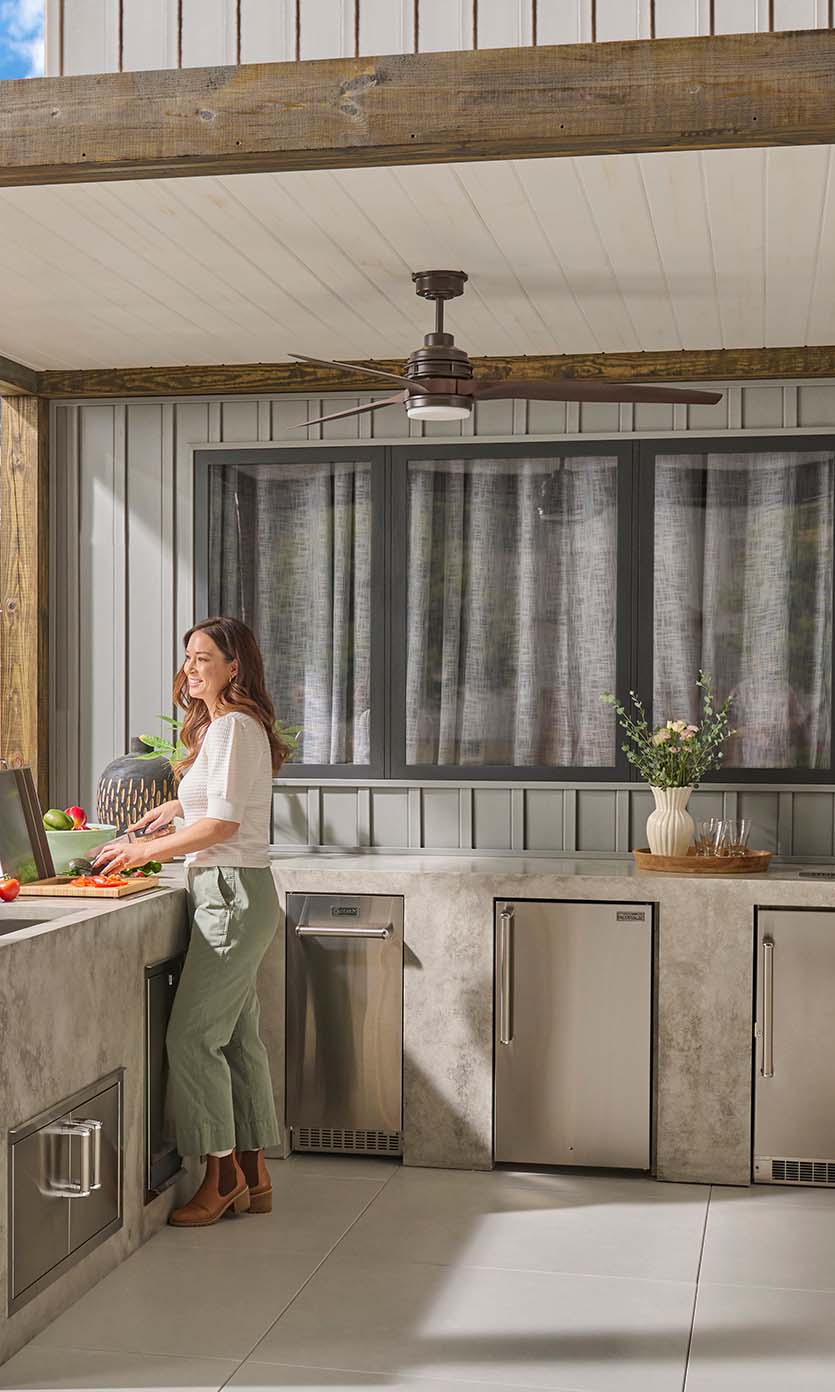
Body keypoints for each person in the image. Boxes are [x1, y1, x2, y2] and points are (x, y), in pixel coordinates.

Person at [94, 616, 287, 1227]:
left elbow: (223, 826)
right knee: (236, 1038)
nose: (191, 668)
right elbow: (221, 803)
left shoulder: (231, 727)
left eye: (204, 658)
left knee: (191, 1039)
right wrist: (176, 807)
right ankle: (254, 1174)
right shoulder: (232, 726)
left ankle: (221, 1178)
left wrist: (142, 851)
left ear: (234, 666)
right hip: (236, 891)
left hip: (228, 894)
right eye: (188, 657)